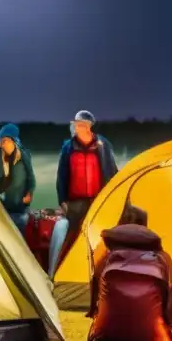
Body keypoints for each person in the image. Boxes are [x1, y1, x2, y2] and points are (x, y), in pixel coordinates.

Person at [55, 110, 119, 263]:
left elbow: (112, 169)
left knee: (98, 235)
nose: (76, 128)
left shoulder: (102, 146)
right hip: (75, 202)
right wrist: (62, 200)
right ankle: (68, 267)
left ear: (87, 126)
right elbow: (62, 175)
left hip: (97, 200)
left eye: (79, 125)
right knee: (73, 236)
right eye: (75, 125)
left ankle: (99, 266)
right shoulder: (68, 148)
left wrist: (113, 194)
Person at [0, 123, 36, 231]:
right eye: (3, 141)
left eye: (7, 141)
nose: (5, 144)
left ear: (15, 141)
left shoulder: (24, 157)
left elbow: (31, 178)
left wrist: (29, 193)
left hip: (20, 211)